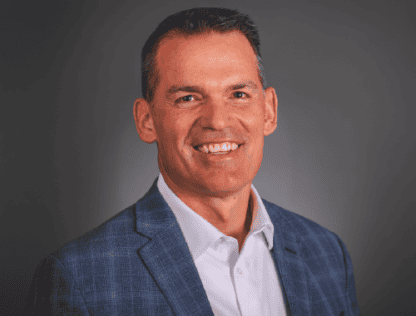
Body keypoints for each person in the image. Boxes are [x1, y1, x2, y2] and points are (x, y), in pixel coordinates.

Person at [25, 7, 360, 316]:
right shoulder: (80, 279)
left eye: (238, 94)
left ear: (268, 111)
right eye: (188, 98)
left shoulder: (327, 254)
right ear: (147, 121)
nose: (217, 120)